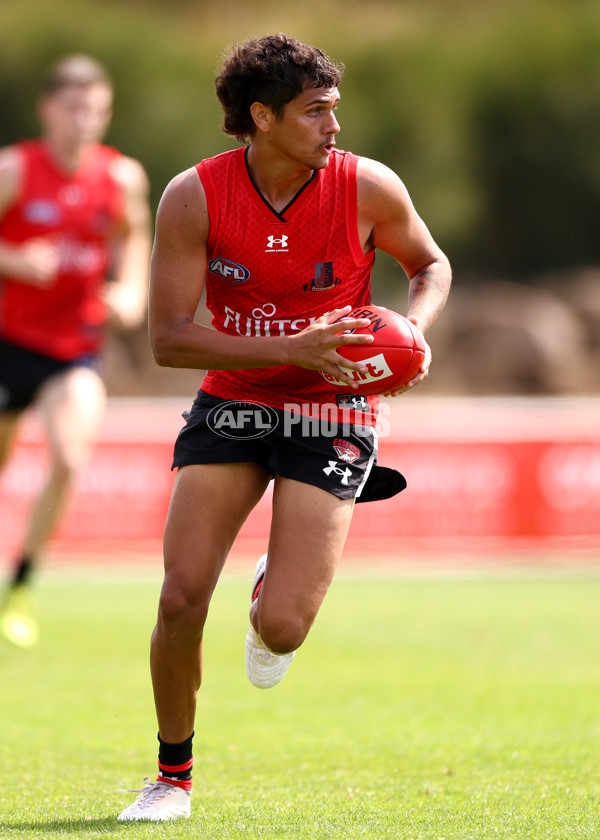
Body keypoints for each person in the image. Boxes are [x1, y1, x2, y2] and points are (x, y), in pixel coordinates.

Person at [118, 33, 451, 822]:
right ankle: (171, 778)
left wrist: (415, 329)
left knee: (284, 628)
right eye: (315, 112)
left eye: (335, 109)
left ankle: (273, 589)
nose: (334, 126)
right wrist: (287, 347)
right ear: (261, 118)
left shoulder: (367, 186)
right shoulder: (192, 196)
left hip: (336, 409)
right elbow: (168, 339)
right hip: (233, 400)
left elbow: (430, 265)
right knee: (179, 600)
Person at [0, 55, 151, 647]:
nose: (85, 119)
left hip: (74, 348)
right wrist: (12, 260)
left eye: (96, 109)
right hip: (8, 343)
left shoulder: (120, 177)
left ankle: (21, 585)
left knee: (68, 457)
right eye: (74, 107)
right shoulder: (14, 169)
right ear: (48, 110)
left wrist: (133, 289)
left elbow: (136, 234)